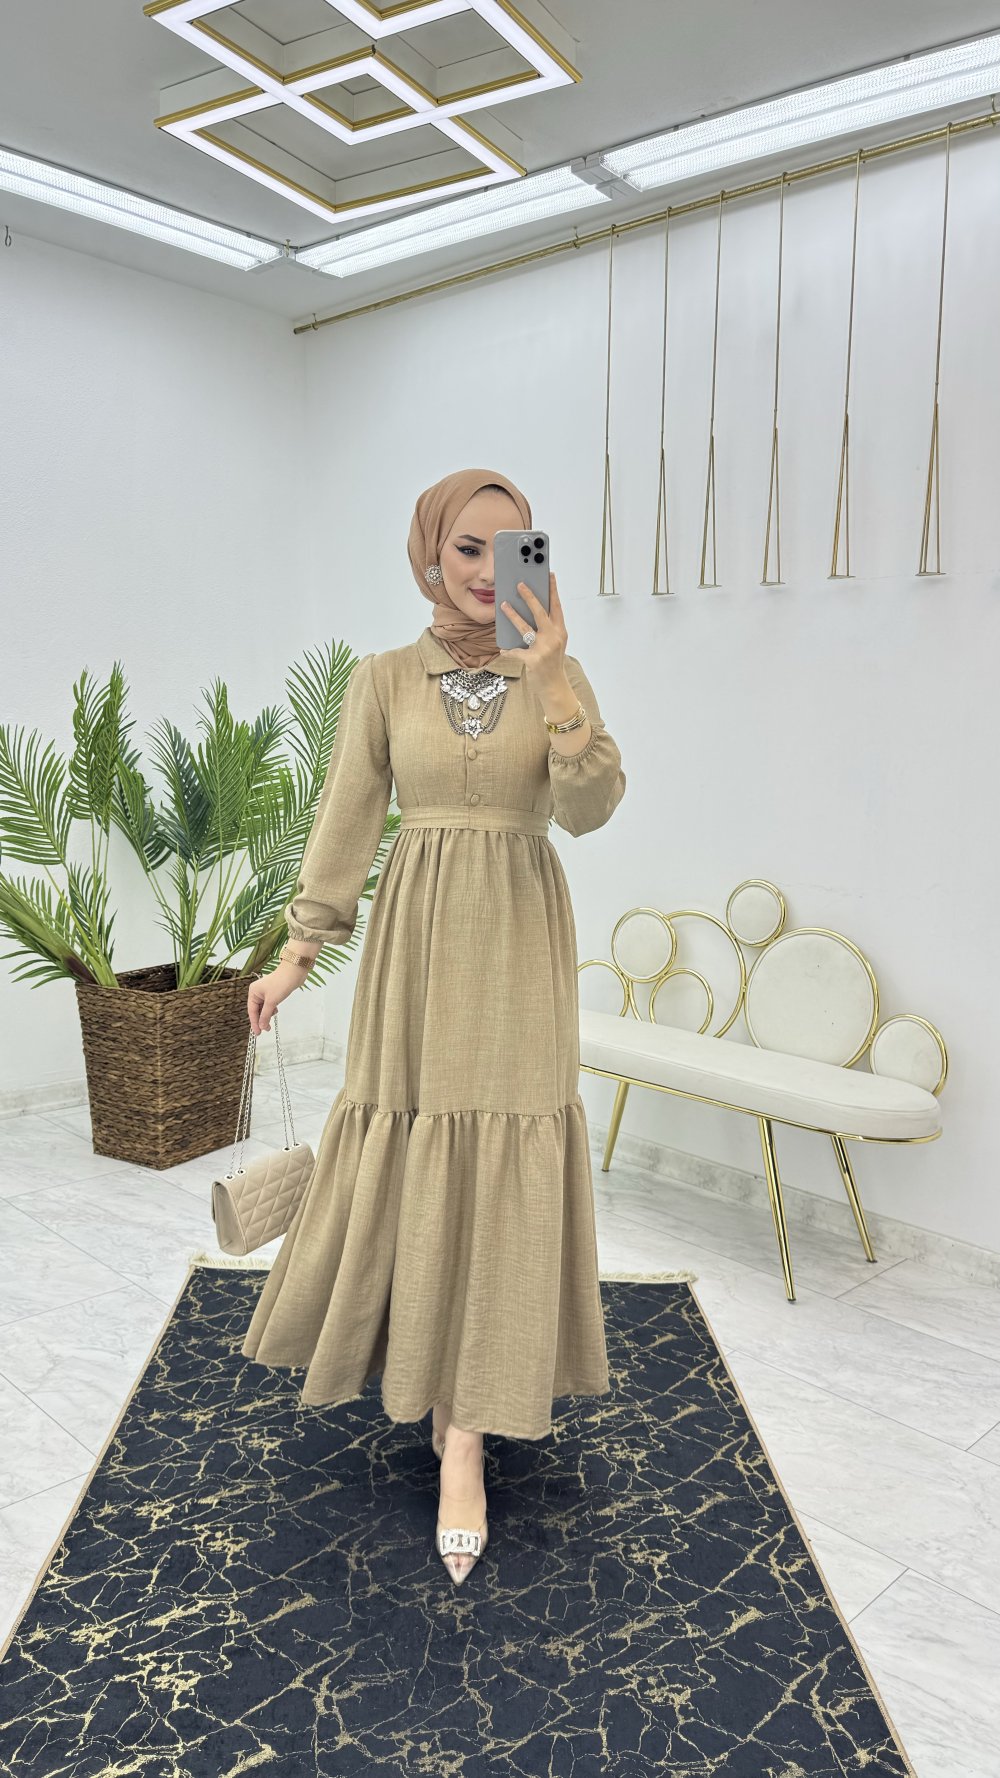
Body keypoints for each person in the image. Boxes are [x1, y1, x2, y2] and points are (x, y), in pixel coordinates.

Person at [242, 467, 627, 1584]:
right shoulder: (381, 679)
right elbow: (347, 817)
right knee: (414, 1149)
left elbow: (591, 807)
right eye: (467, 548)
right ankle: (421, 1370)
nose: (486, 571)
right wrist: (299, 949)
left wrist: (549, 673)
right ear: (429, 555)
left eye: (511, 550)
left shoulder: (555, 669)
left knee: (504, 1150)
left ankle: (466, 1438)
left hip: (518, 935)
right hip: (413, 943)